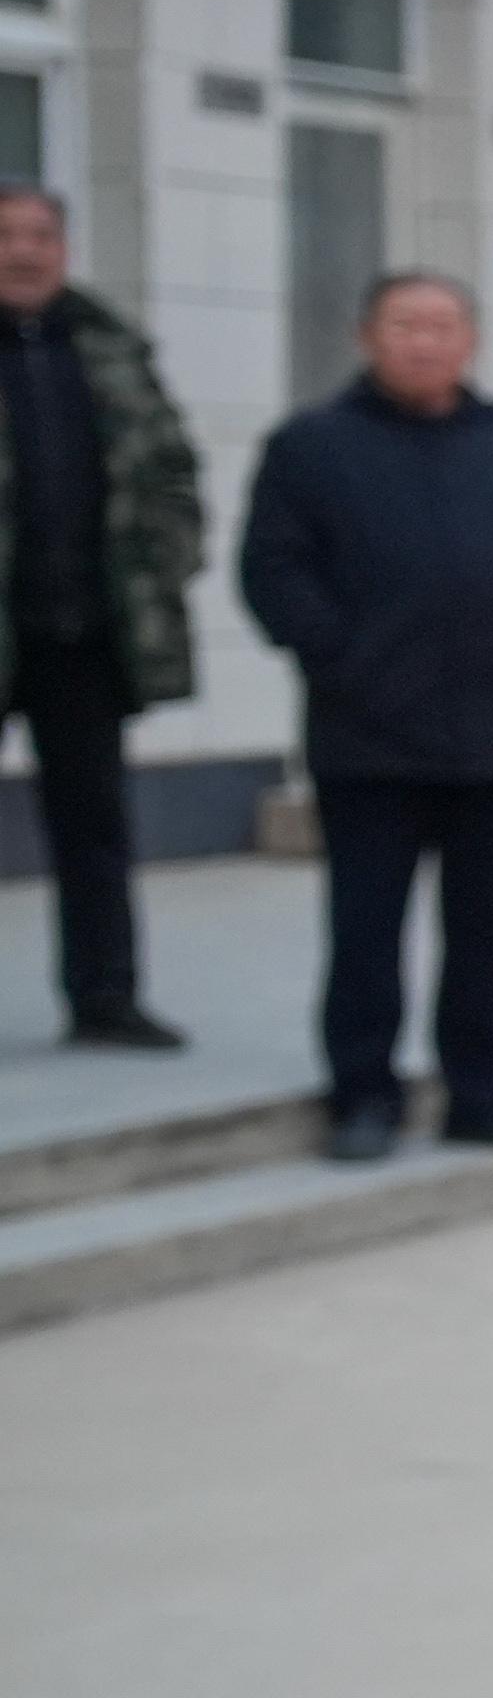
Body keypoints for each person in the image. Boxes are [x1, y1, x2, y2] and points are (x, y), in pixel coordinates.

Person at [233, 271, 493, 1163]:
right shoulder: (312, 446)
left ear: (469, 341)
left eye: (442, 326)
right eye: (404, 325)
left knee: (486, 929)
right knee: (365, 929)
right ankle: (363, 1097)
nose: (423, 343)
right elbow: (273, 574)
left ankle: (484, 1095)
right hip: (369, 736)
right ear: (367, 336)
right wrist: (346, 661)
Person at [0, 182, 204, 1051]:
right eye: (6, 235)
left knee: (94, 827)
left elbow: (172, 471)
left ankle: (106, 997)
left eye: (41, 234)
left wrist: (167, 565)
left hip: (85, 629)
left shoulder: (111, 349)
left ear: (65, 248)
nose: (24, 251)